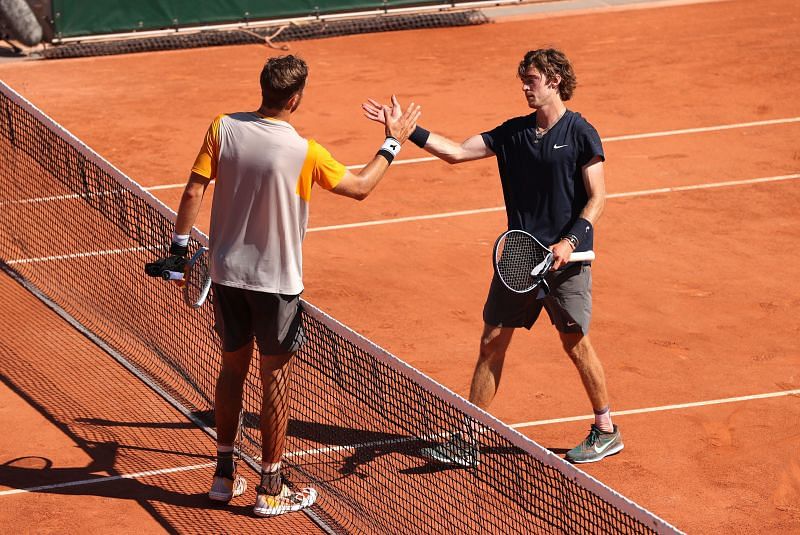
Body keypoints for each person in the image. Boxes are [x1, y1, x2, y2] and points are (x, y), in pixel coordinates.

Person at [146, 55, 420, 516]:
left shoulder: (223, 128)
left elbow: (194, 190)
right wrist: (393, 142)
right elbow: (360, 186)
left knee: (232, 370)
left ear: (264, 89)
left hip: (226, 276)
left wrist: (177, 250)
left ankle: (223, 474)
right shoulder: (305, 152)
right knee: (275, 380)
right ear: (295, 98)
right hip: (275, 284)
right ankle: (270, 486)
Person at [363, 48, 622, 465]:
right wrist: (408, 132)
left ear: (554, 81)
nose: (524, 87)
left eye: (531, 79)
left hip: (565, 261)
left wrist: (569, 242)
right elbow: (457, 152)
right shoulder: (514, 133)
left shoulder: (581, 133)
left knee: (575, 344)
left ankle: (606, 429)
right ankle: (467, 438)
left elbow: (597, 199)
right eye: (523, 79)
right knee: (491, 344)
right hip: (520, 257)